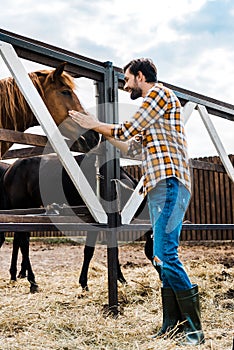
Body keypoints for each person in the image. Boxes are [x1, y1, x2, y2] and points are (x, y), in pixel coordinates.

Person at [68, 58, 205, 346]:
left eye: (127, 79)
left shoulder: (157, 94)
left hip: (170, 183)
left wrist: (96, 123)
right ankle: (172, 323)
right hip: (159, 186)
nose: (125, 84)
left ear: (140, 76)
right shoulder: (154, 112)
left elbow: (127, 129)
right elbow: (131, 145)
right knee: (160, 254)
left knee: (166, 254)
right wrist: (101, 134)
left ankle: (194, 327)